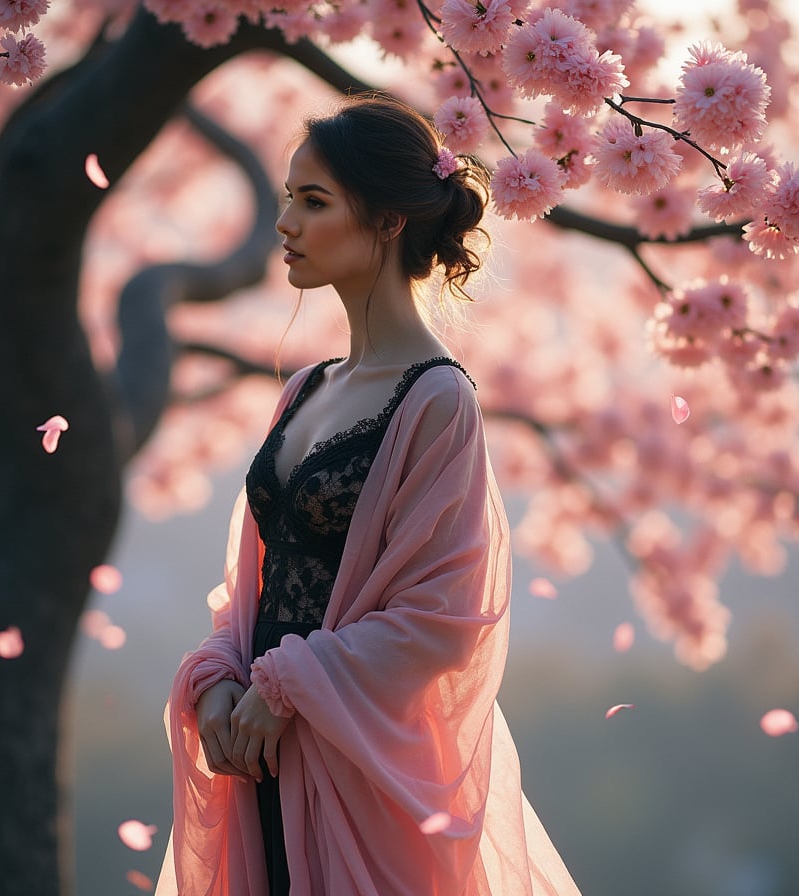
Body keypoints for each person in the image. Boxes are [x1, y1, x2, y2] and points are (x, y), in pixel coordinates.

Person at [155, 94, 581, 896]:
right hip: (260, 760)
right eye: (288, 198)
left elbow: (443, 620)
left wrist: (284, 687)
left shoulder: (436, 400)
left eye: (313, 202)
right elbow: (252, 582)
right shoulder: (307, 389)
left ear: (387, 220)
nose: (286, 223)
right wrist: (218, 677)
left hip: (355, 772)